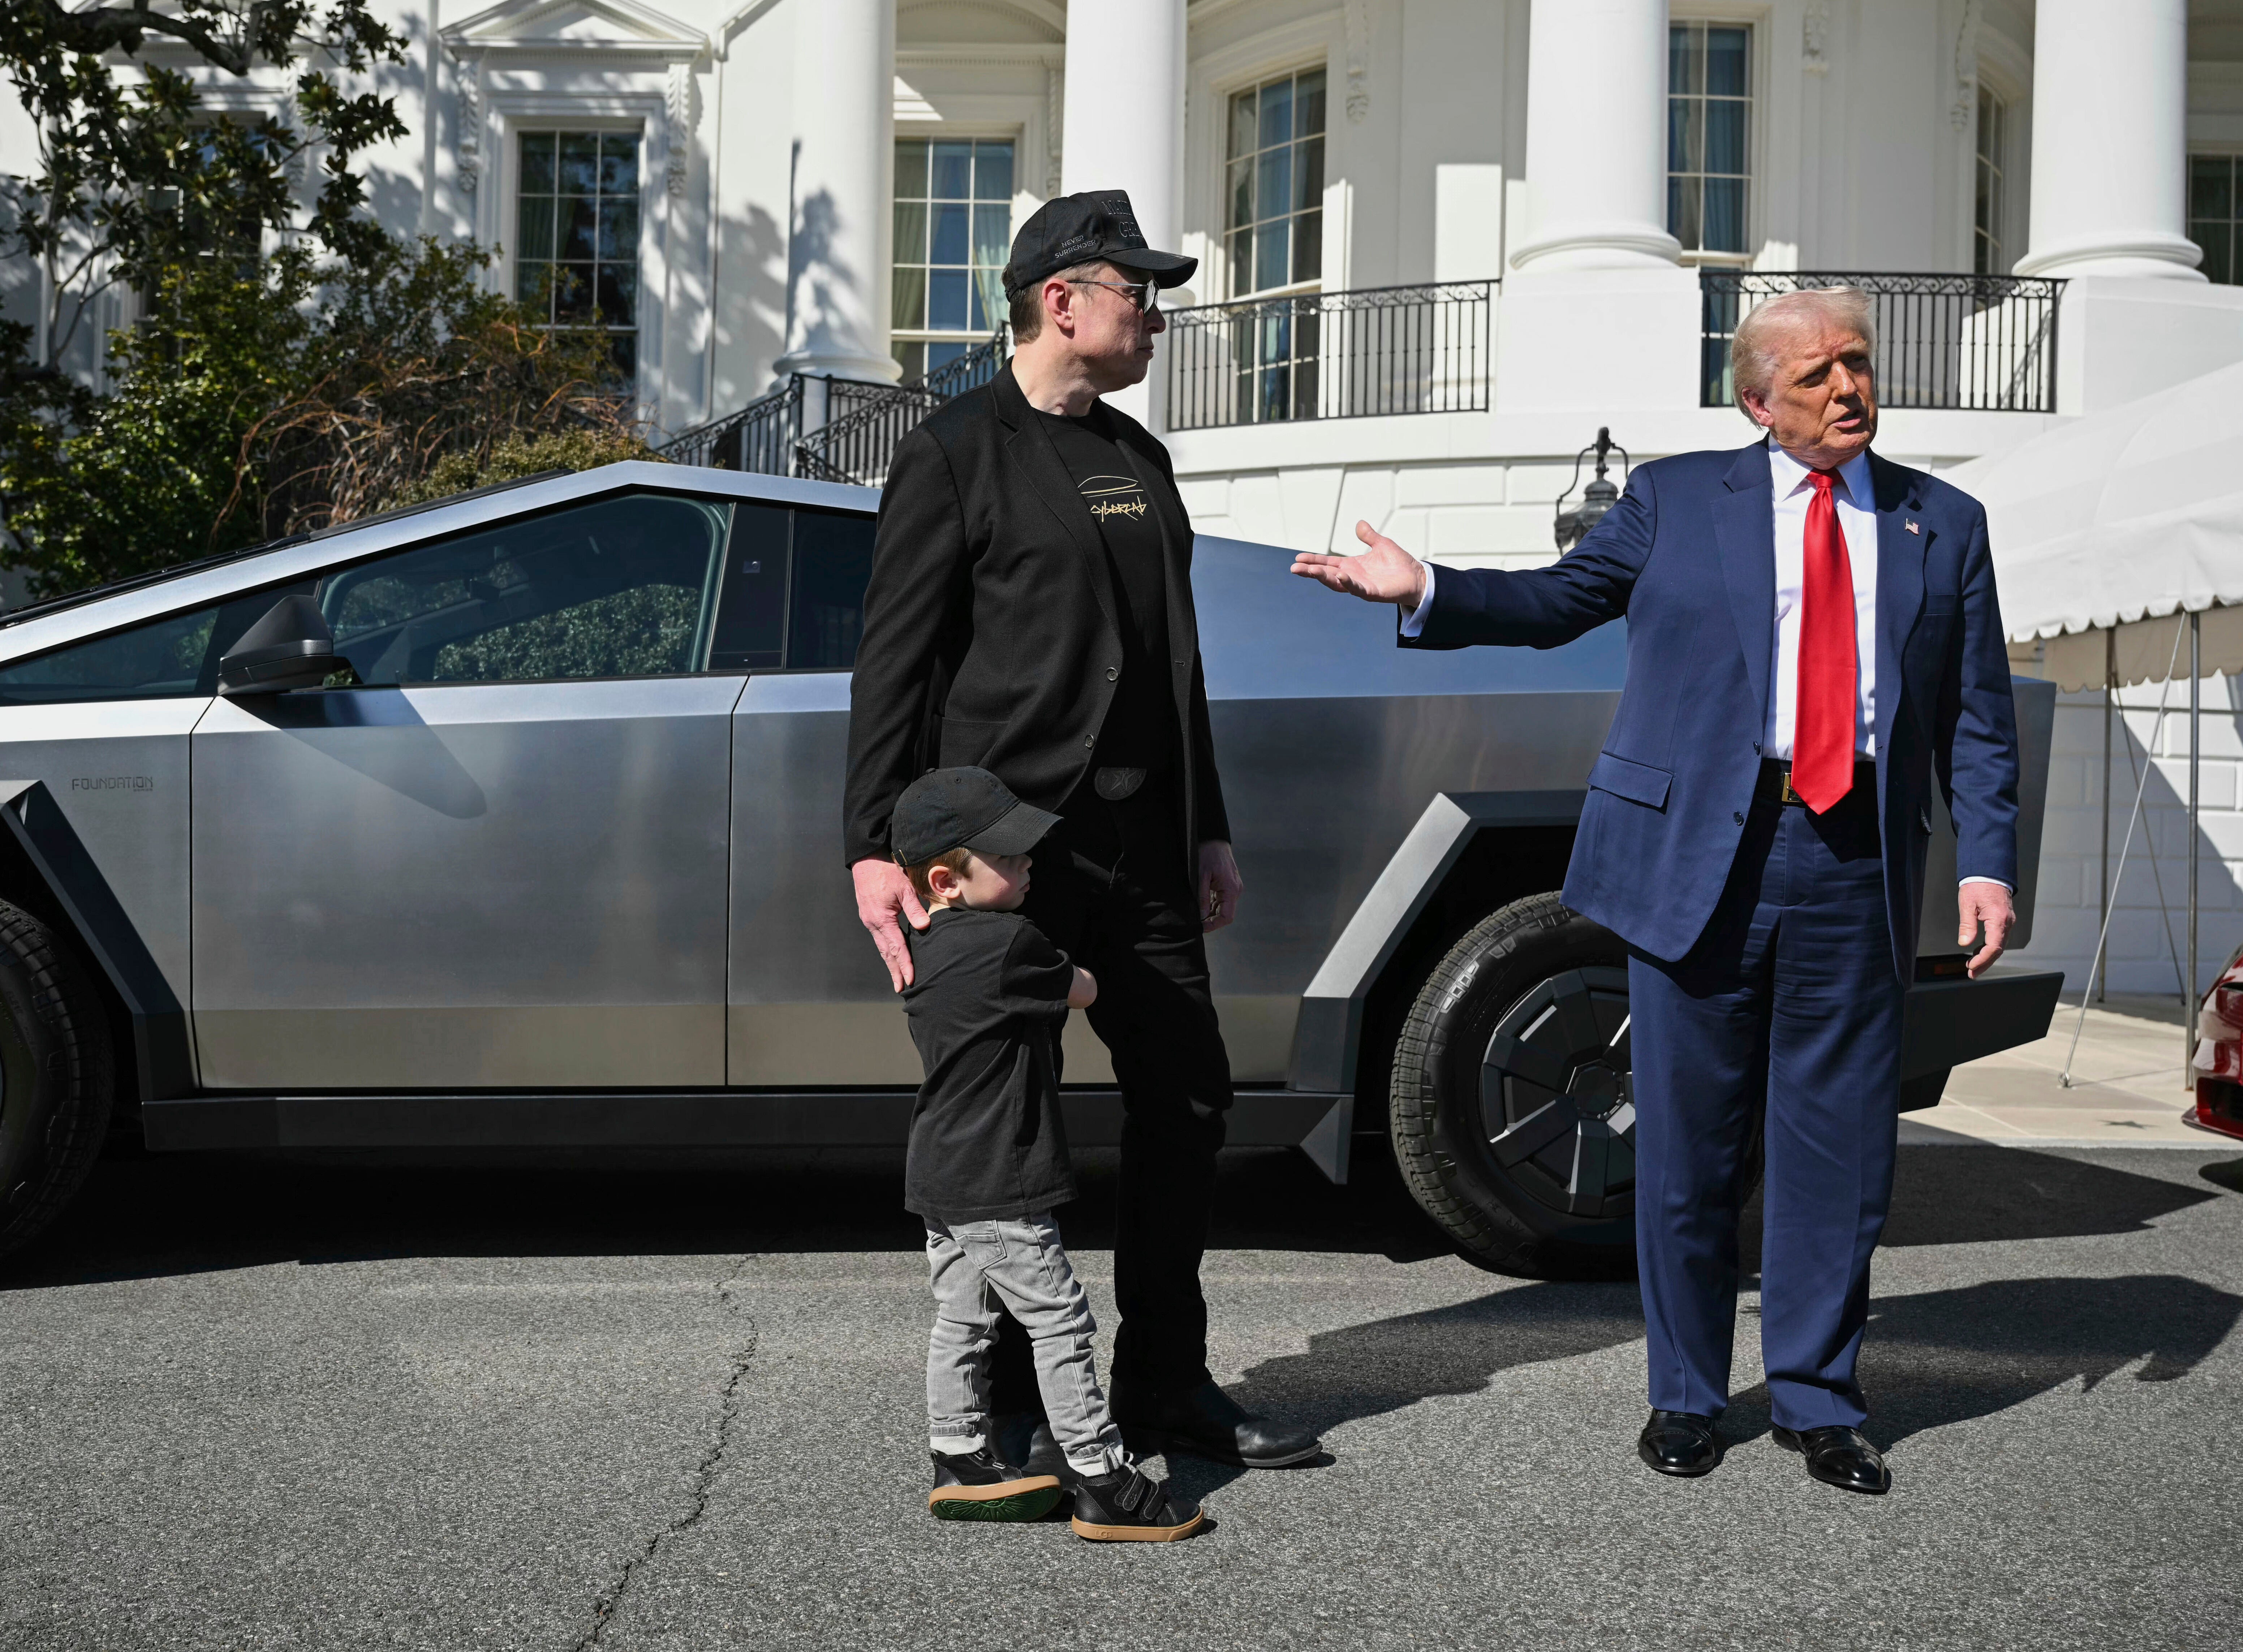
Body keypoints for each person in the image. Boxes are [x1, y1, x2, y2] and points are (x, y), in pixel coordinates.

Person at [1291, 287, 2022, 1497]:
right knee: (1687, 1147)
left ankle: (1819, 1398)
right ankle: (1686, 1393)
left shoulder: (1941, 520)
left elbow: (1977, 715)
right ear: (1757, 402)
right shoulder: (1676, 499)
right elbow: (1556, 602)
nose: (1847, 388)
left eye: (1855, 363)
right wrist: (1425, 587)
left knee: (1837, 1153)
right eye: (1815, 375)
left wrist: (1987, 861)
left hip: (1855, 861)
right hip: (1701, 855)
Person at [844, 188, 1321, 1470]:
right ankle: (1013, 1404)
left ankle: (1162, 1379)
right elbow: (893, 666)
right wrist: (875, 847)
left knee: (1189, 1095)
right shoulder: (955, 451)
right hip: (1004, 853)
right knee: (1013, 1117)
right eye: (1137, 293)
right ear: (1062, 301)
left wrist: (1207, 825)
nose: (1155, 316)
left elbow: (1175, 662)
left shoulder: (1138, 458)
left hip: (1145, 842)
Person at [892, 766, 1206, 1543]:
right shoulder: (1012, 944)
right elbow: (1087, 988)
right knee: (1061, 1321)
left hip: (939, 1173)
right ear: (946, 879)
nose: (1029, 862)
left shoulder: (920, 946)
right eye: (1008, 856)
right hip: (1002, 1176)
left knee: (963, 1319)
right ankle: (1102, 1477)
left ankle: (958, 1457)